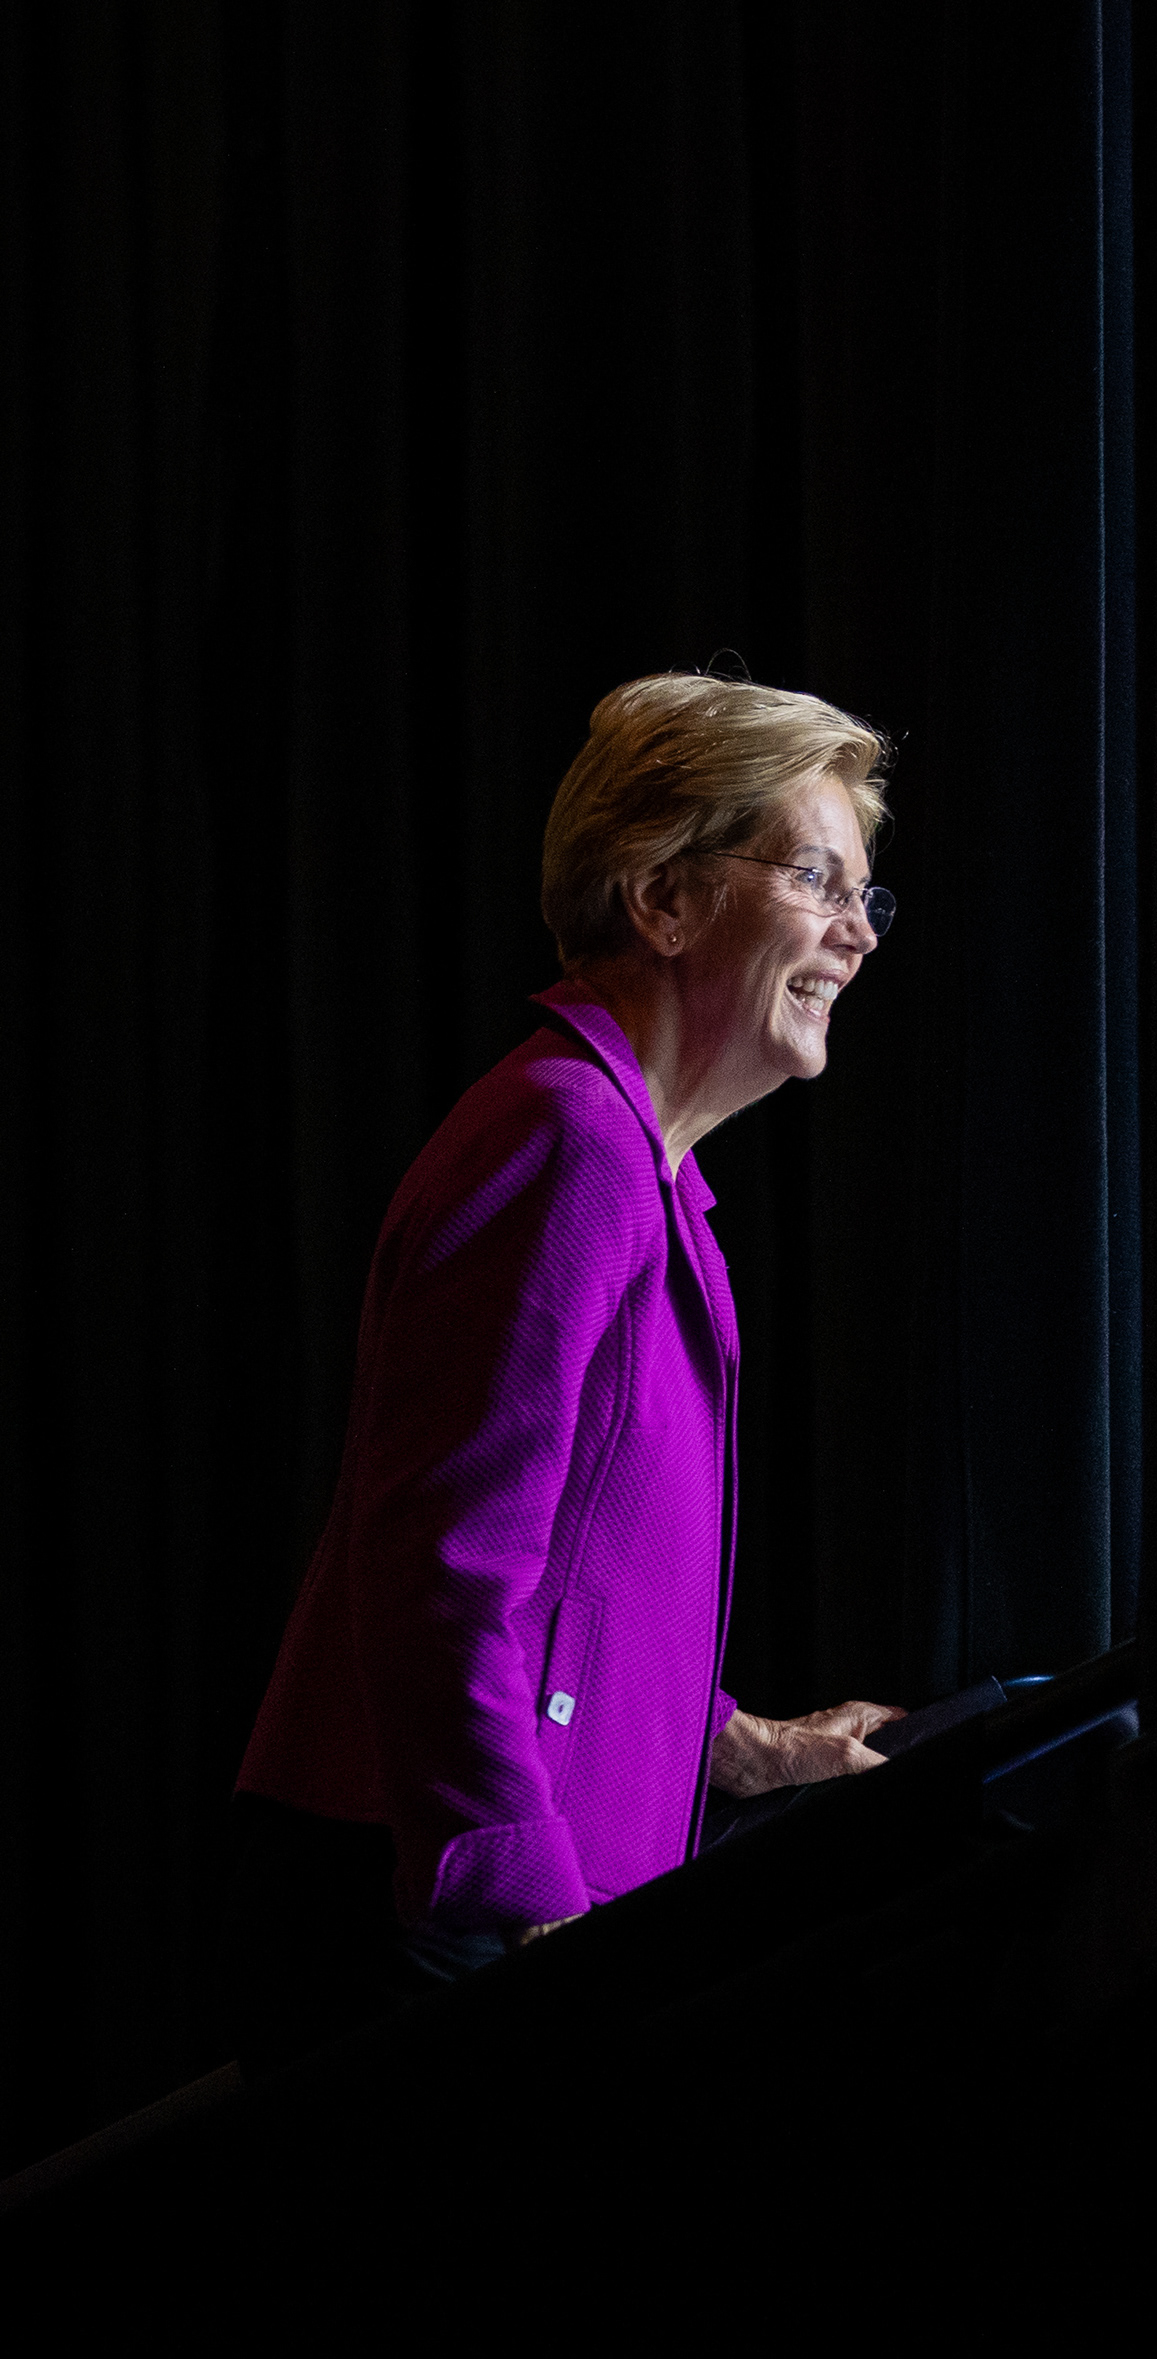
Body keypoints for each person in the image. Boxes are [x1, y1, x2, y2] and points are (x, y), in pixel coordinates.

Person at [228, 673, 914, 2076]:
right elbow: (438, 1570)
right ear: (662, 900)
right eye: (812, 875)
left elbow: (569, 1587)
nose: (856, 932)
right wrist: (539, 1917)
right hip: (428, 1909)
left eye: (867, 895)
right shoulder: (567, 1145)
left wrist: (741, 1745)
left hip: (484, 1899)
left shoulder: (648, 1176)